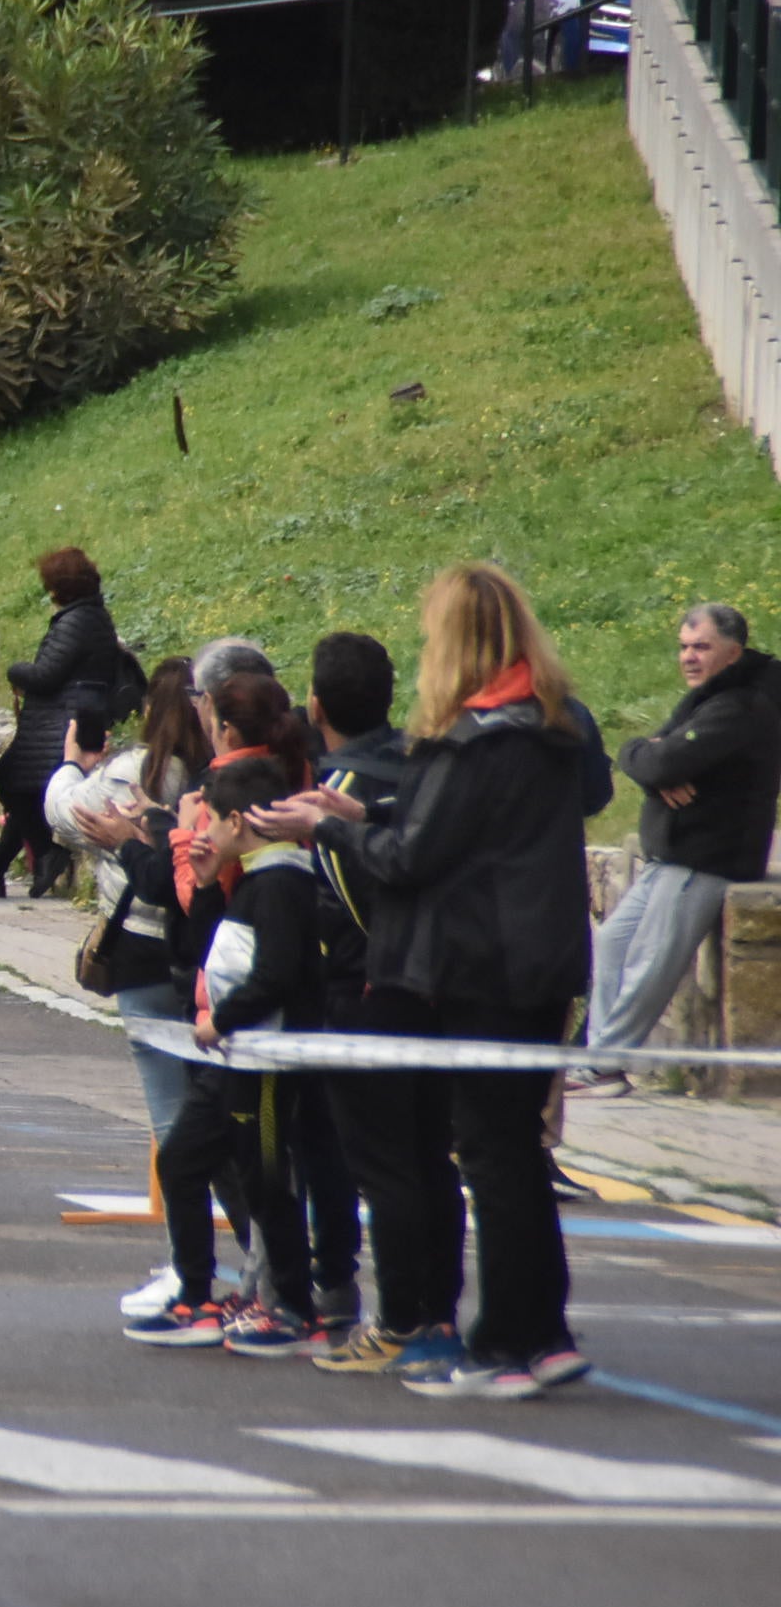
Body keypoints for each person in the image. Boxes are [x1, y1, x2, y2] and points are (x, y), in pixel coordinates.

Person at [264, 564, 600, 1400]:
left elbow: (416, 857)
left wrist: (331, 832)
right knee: (518, 1149)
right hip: (546, 960)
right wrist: (367, 815)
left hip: (481, 964)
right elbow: (476, 824)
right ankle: (546, 1332)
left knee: (489, 1156)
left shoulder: (473, 737)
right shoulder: (559, 726)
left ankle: (502, 1346)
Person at [295, 631, 465, 1377]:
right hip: (434, 987)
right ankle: (436, 1311)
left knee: (385, 1164)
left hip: (366, 992)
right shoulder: (417, 770)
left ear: (316, 705)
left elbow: (353, 903)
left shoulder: (339, 796)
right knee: (432, 1155)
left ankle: (398, 1319)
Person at [125, 751, 329, 1352]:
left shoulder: (283, 883)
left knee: (266, 1180)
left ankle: (294, 1306)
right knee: (184, 1160)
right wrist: (210, 886)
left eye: (210, 820)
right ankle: (196, 1293)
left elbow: (278, 973)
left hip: (263, 1058)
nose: (202, 834)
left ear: (238, 821)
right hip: (231, 1059)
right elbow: (212, 949)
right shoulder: (251, 881)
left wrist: (225, 1020)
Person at [53, 653, 215, 1320]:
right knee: (223, 1117)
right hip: (207, 955)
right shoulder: (219, 779)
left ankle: (189, 1268)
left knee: (174, 1118)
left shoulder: (137, 774)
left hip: (146, 953)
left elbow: (67, 817)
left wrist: (72, 767)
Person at [569, 603, 781, 1096]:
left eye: (701, 647)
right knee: (612, 944)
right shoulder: (711, 699)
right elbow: (651, 757)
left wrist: (648, 759)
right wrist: (645, 756)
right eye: (684, 647)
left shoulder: (740, 706)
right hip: (673, 858)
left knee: (650, 961)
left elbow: (663, 761)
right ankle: (600, 1057)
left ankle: (604, 1065)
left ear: (735, 651)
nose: (689, 657)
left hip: (705, 858)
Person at [0, 548, 125, 900]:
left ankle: (45, 855)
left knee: (10, 779)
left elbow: (47, 675)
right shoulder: (91, 616)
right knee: (22, 787)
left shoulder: (76, 621)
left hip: (58, 724)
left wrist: (15, 670)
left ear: (59, 587)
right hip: (64, 718)